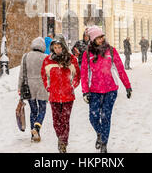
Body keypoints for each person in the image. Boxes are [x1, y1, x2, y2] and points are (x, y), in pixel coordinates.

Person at [81, 25, 132, 153]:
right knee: (93, 117)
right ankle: (99, 133)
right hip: (94, 91)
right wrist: (85, 91)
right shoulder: (87, 54)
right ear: (92, 40)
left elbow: (120, 69)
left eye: (101, 37)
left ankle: (104, 143)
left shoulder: (111, 51)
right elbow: (84, 74)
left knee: (105, 116)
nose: (101, 40)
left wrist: (127, 86)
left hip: (110, 90)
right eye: (98, 38)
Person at [41, 37, 80, 153]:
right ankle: (60, 138)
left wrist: (72, 86)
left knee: (65, 120)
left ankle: (63, 142)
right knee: (56, 121)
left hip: (68, 96)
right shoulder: (48, 60)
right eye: (55, 48)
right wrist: (48, 87)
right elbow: (44, 76)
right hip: (54, 96)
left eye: (59, 47)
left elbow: (77, 76)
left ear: (63, 47)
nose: (57, 50)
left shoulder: (71, 59)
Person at [18, 37, 49, 143]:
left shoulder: (25, 56)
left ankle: (33, 134)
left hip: (29, 86)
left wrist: (19, 88)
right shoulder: (46, 57)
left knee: (33, 110)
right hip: (42, 86)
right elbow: (49, 74)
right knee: (42, 109)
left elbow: (21, 74)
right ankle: (37, 127)